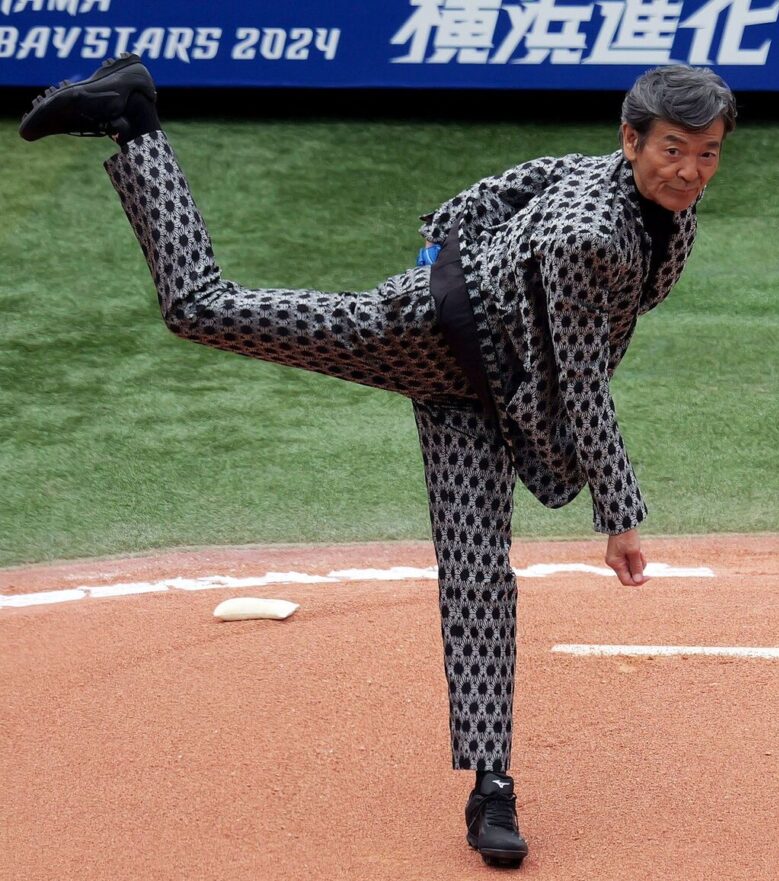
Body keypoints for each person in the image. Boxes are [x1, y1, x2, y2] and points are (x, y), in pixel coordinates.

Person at [19, 59, 736, 868]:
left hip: (486, 388)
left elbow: (505, 189)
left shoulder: (648, 198)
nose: (690, 171)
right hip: (418, 337)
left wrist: (453, 250)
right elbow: (579, 381)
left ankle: (491, 784)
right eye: (674, 150)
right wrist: (620, 515)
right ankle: (135, 126)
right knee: (199, 306)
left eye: (707, 153)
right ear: (631, 140)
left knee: (477, 570)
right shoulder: (588, 234)